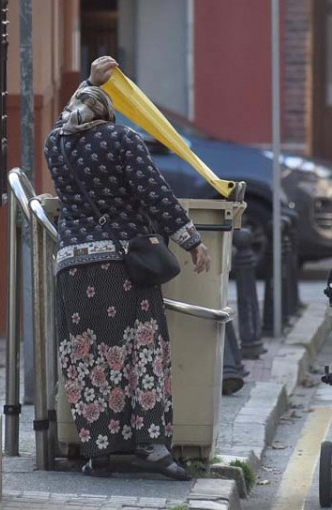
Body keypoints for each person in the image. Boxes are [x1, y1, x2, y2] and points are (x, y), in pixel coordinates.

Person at [44, 56, 212, 480]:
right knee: (144, 354)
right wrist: (191, 240)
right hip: (121, 267)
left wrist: (88, 82)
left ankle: (98, 453)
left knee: (87, 357)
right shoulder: (122, 141)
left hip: (72, 267)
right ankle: (152, 447)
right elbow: (154, 192)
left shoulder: (54, 145)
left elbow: (72, 112)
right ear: (108, 113)